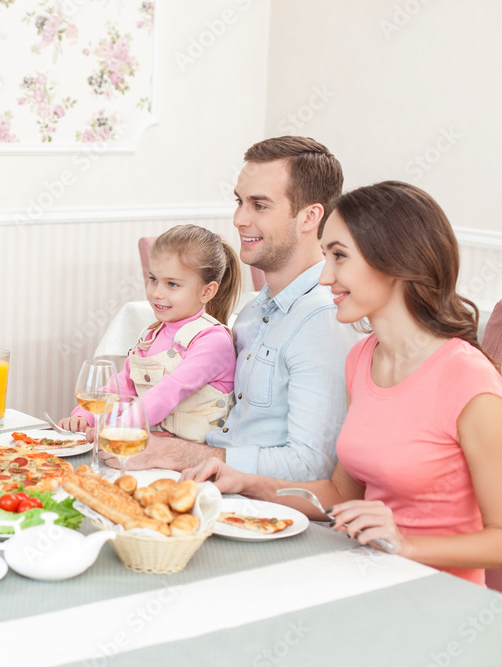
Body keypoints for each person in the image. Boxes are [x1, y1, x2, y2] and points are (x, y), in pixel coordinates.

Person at [183, 181, 502, 585]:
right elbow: (340, 495)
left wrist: (404, 544)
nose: (326, 276)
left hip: (438, 595)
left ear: (395, 262)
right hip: (363, 572)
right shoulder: (362, 358)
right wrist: (249, 483)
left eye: (338, 257)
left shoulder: (467, 378)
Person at [100, 136, 359, 479]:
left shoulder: (322, 319)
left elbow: (311, 467)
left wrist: (182, 454)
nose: (238, 218)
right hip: (211, 477)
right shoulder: (253, 314)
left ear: (310, 216)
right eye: (239, 202)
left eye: (259, 205)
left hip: (264, 504)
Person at [60, 224, 240, 442]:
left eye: (172, 284)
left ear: (207, 291)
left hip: (197, 454)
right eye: (153, 279)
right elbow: (123, 385)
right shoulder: (151, 334)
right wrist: (86, 415)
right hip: (157, 446)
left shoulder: (213, 341)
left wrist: (118, 428)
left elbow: (169, 391)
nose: (157, 293)